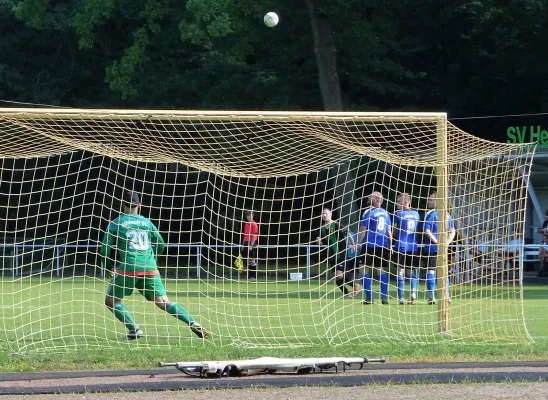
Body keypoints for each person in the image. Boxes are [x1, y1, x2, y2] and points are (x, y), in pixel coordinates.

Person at [100, 191, 210, 340]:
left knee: (111, 300)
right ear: (139, 205)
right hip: (150, 267)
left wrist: (108, 267)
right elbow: (161, 244)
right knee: (164, 302)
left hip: (128, 268)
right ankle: (192, 322)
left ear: (122, 204)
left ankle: (134, 329)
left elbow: (104, 249)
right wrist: (153, 260)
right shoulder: (147, 222)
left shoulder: (116, 223)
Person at [357, 191, 392, 305]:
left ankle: (369, 298)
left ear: (377, 199)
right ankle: (384, 297)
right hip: (383, 245)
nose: (368, 197)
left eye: (370, 196)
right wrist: (390, 246)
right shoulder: (386, 213)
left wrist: (357, 243)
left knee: (363, 269)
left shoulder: (369, 212)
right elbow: (389, 231)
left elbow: (363, 229)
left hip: (370, 245)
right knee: (380, 270)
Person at [422, 191, 456, 304]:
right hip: (443, 249)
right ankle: (446, 296)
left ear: (437, 201)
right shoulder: (447, 215)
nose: (428, 201)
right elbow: (453, 231)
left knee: (431, 271)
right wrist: (446, 243)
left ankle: (432, 296)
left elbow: (427, 231)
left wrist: (438, 243)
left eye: (431, 199)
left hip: (431, 248)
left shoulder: (431, 214)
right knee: (444, 272)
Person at [316, 207, 359, 297]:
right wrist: (319, 240)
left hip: (341, 253)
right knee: (335, 277)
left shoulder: (336, 224)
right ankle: (346, 293)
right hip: (332, 255)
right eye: (323, 214)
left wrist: (354, 245)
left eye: (326, 213)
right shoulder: (323, 229)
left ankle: (354, 285)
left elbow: (348, 233)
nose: (324, 215)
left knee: (338, 275)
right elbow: (322, 242)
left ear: (330, 215)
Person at [392, 193, 420, 305]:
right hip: (413, 246)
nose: (397, 204)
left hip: (401, 245)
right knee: (412, 270)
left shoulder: (398, 214)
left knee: (400, 271)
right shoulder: (416, 214)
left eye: (398, 202)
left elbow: (393, 229)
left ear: (405, 203)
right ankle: (413, 292)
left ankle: (402, 297)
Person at [241, 210, 259, 280]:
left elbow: (254, 235)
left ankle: (254, 276)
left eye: (250, 215)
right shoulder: (246, 224)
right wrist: (243, 244)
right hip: (246, 242)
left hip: (252, 242)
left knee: (252, 259)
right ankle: (249, 276)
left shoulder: (254, 224)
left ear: (252, 216)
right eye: (248, 216)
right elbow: (245, 235)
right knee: (248, 259)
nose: (249, 217)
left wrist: (251, 245)